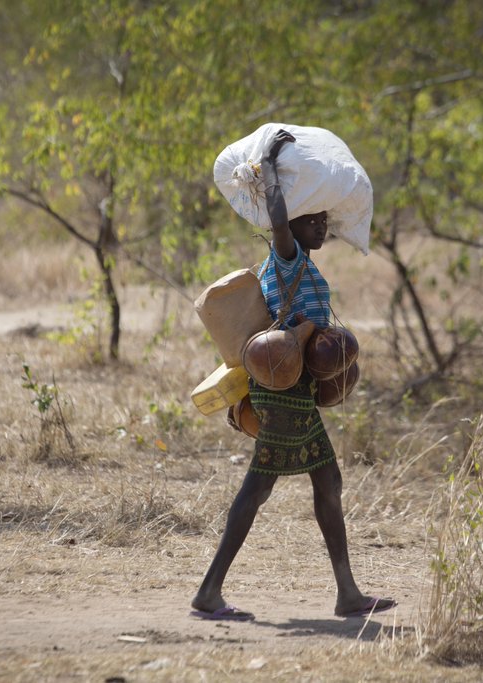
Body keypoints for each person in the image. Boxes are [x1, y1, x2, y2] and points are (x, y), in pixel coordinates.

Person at [191, 130, 395, 622]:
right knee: (258, 487)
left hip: (294, 387)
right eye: (313, 219)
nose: (322, 226)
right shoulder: (287, 259)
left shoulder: (301, 264)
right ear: (293, 225)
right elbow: (278, 218)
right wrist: (268, 161)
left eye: (325, 219)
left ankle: (348, 593)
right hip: (281, 390)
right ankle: (208, 593)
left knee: (327, 479)